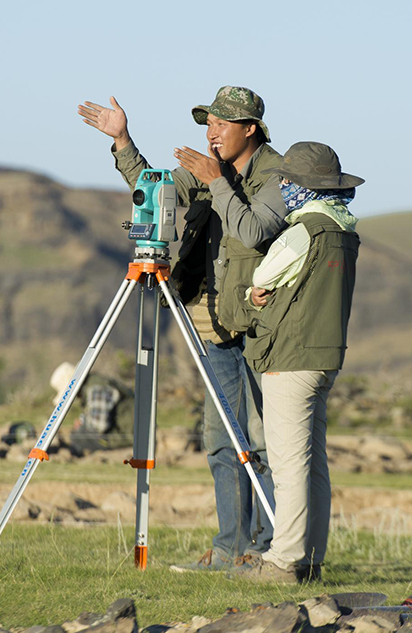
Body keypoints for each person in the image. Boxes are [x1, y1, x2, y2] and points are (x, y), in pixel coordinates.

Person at [78, 86, 284, 570]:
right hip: (211, 325)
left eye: (221, 125)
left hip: (260, 328)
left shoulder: (277, 176)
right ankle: (230, 549)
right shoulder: (204, 166)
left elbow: (254, 230)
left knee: (263, 443)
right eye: (207, 124)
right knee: (221, 440)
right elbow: (156, 189)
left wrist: (217, 182)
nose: (210, 134)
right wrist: (123, 142)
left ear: (249, 129)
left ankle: (270, 551)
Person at [231, 142, 363, 584]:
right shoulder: (345, 230)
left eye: (288, 181)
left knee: (289, 466)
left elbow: (263, 278)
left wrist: (251, 295)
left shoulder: (303, 230)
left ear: (303, 186)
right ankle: (311, 559)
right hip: (326, 357)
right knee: (314, 465)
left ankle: (285, 560)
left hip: (290, 357)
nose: (282, 186)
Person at [50, 361, 134, 456]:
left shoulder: (97, 388)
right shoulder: (93, 383)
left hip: (129, 434)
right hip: (127, 430)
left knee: (78, 437)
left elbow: (99, 426)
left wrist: (83, 426)